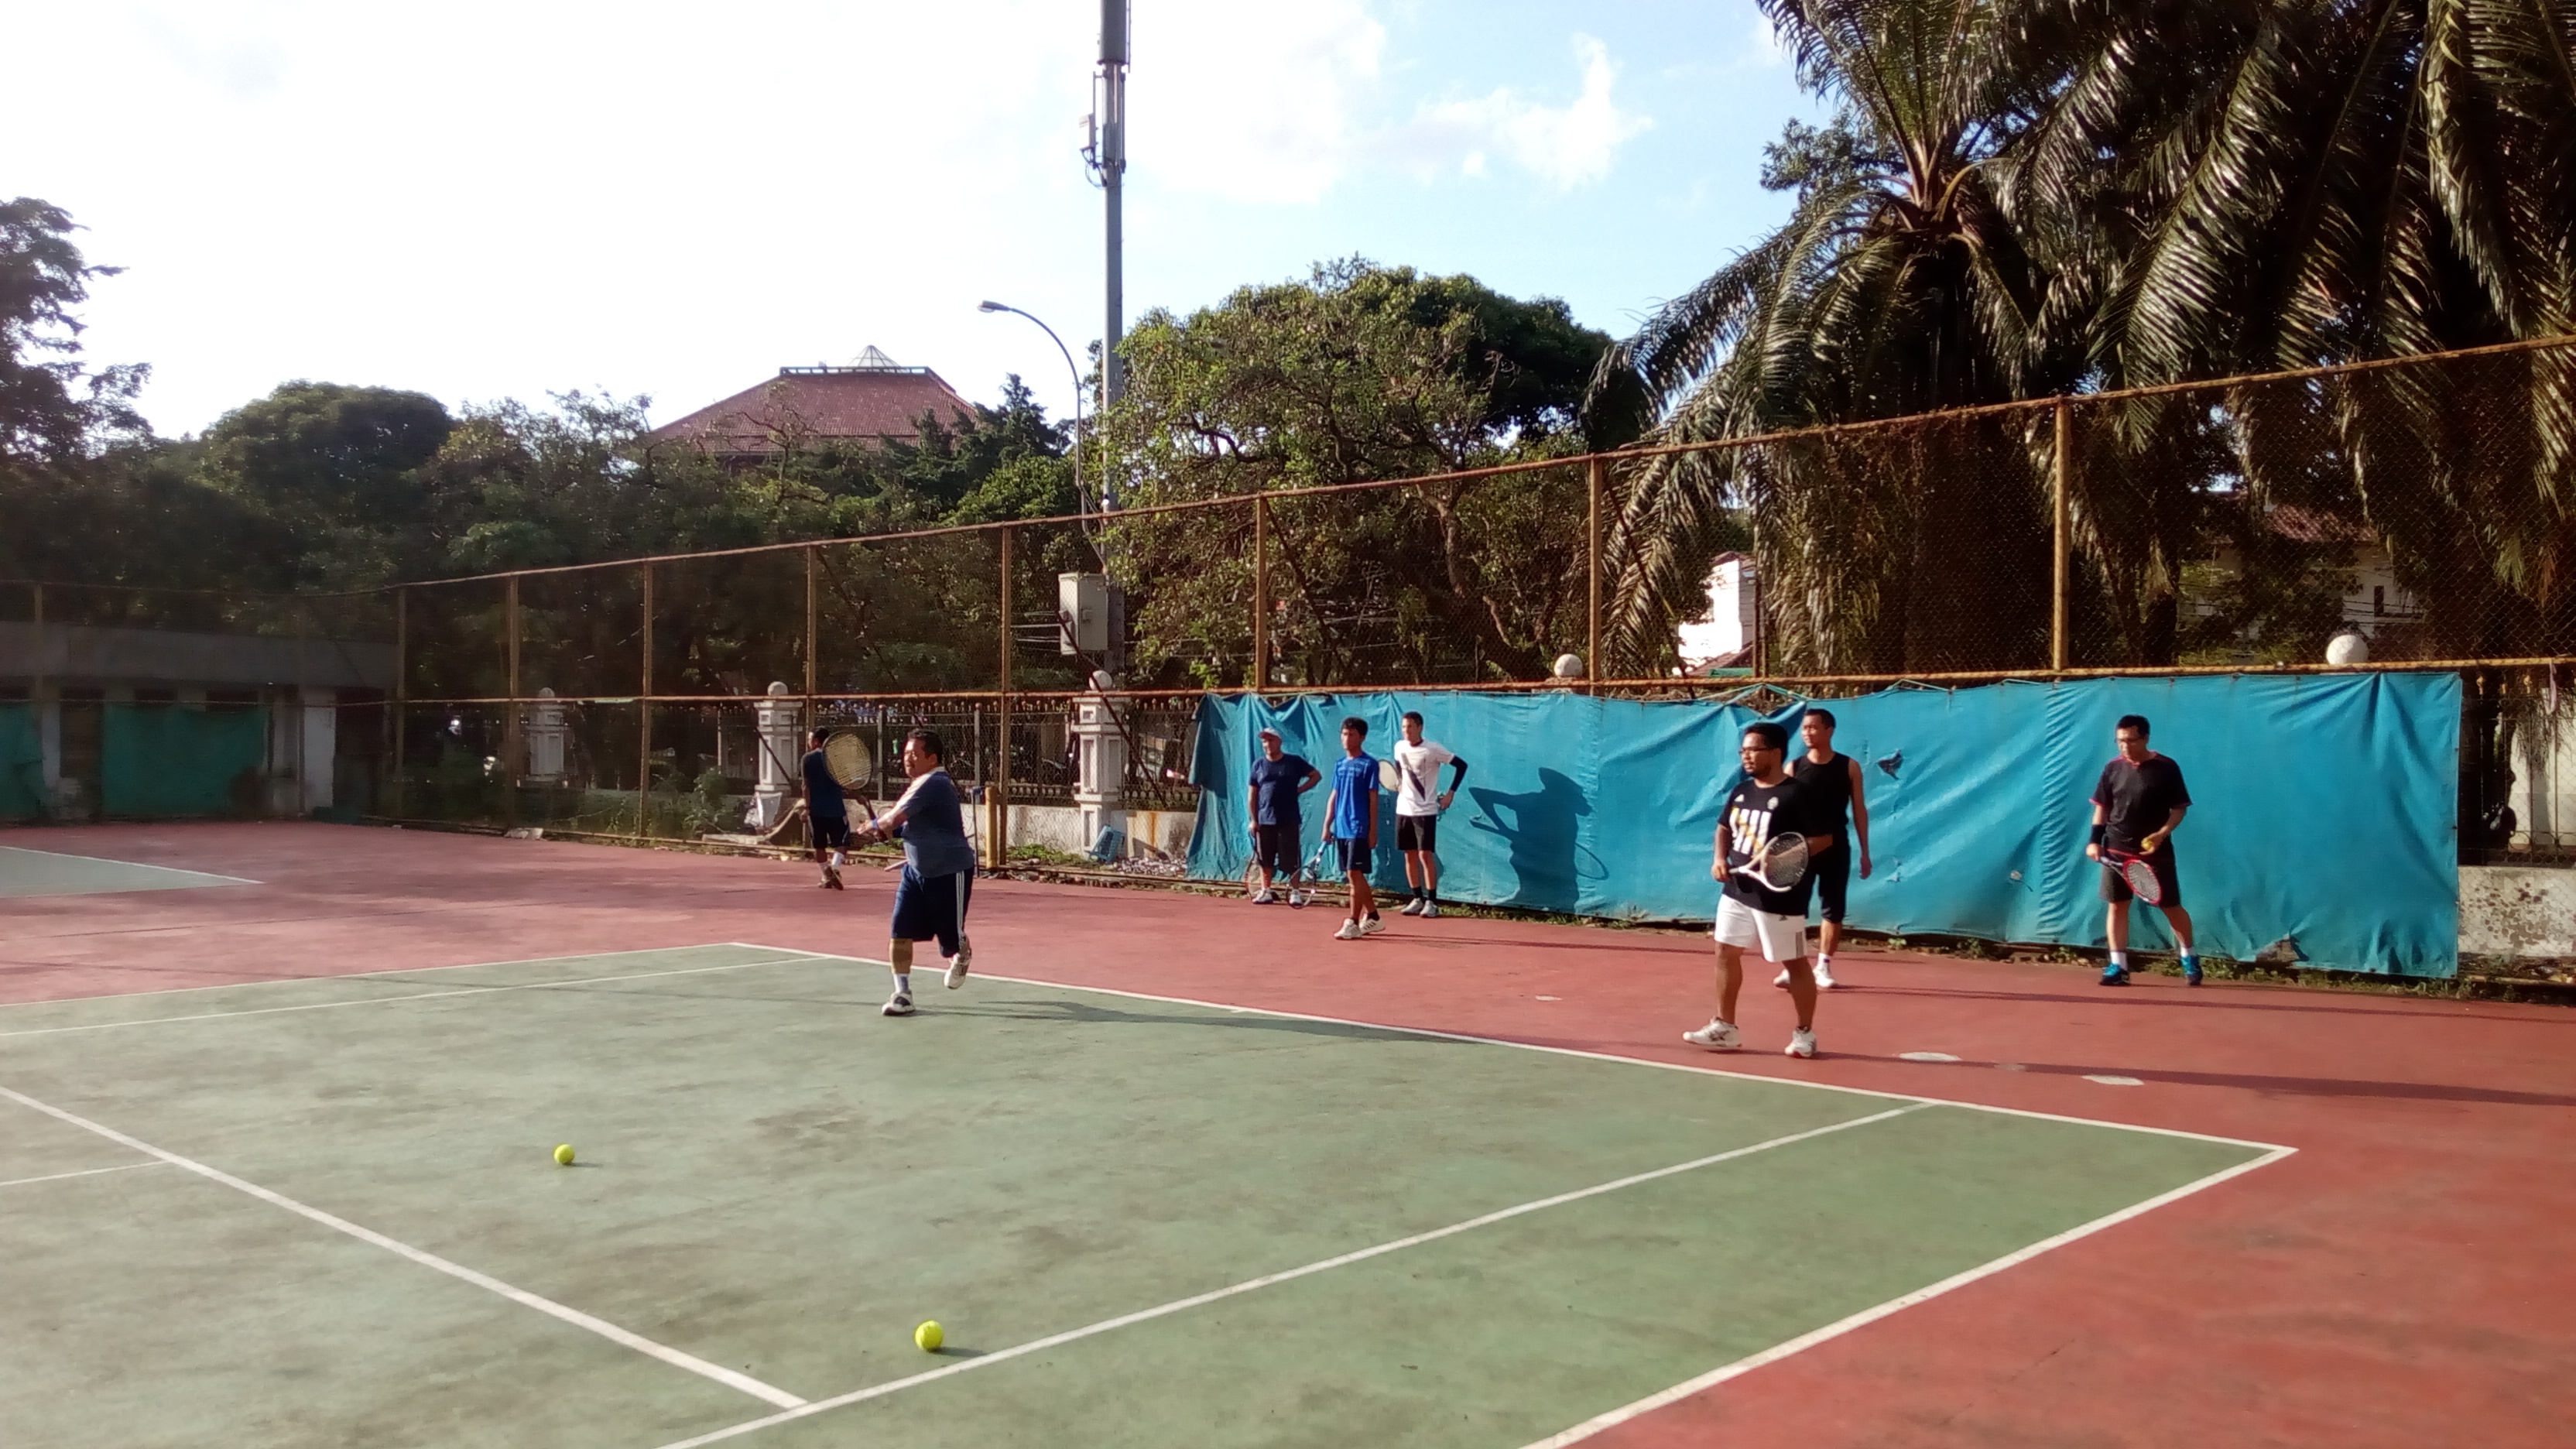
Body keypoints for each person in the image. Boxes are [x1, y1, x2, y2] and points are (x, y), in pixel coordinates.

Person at [1686, 722, 1838, 1058]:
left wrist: (1783, 858)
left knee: (1794, 962)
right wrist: (1719, 858)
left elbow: (1824, 838)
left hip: (1780, 896)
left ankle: (1805, 1034)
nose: (1746, 756)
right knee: (1725, 951)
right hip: (1737, 891)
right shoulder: (1741, 791)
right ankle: (1725, 1027)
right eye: (1743, 751)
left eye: (1753, 750)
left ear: (1775, 752)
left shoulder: (1798, 794)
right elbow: (1723, 828)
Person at [855, 727, 977, 1016]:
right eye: (906, 753)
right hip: (915, 872)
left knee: (950, 941)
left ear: (932, 758)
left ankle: (961, 952)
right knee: (899, 931)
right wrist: (884, 830)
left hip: (950, 871)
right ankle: (903, 994)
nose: (907, 759)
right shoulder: (918, 785)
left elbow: (893, 819)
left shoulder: (935, 782)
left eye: (914, 754)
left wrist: (874, 826)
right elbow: (905, 826)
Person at [2089, 714, 2197, 986]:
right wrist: (2095, 841)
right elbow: (2102, 808)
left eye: (2131, 740)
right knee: (2117, 906)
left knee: (2171, 907)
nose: (2125, 746)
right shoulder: (2112, 768)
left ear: (2146, 738)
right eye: (2120, 741)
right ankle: (2118, 966)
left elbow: (2179, 809)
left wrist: (2161, 834)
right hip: (2116, 848)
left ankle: (2189, 955)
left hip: (2154, 852)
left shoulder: (2166, 768)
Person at [1775, 707, 1869, 990]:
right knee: (1793, 908)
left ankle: (1824, 966)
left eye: (1813, 727)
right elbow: (1782, 811)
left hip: (1836, 847)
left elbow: (1859, 809)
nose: (1807, 733)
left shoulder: (1849, 766)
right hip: (1801, 848)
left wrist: (1865, 852)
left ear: (1829, 730)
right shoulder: (1793, 767)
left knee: (1833, 907)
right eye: (1804, 728)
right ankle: (1793, 967)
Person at [1390, 711, 1469, 917]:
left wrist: (1450, 793)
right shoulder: (1399, 747)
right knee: (1409, 855)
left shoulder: (1433, 749)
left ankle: (1432, 902)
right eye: (1403, 727)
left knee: (1425, 855)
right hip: (1403, 809)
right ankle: (1417, 899)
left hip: (1425, 811)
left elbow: (1461, 766)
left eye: (1410, 726)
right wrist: (1400, 782)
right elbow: (1399, 767)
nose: (1406, 731)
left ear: (1420, 727)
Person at [1318, 716, 1384, 940]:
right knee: (1351, 874)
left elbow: (1373, 799)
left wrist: (1372, 830)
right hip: (1341, 828)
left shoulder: (1369, 764)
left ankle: (1354, 922)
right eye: (1344, 734)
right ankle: (1373, 916)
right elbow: (1334, 795)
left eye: (1352, 734)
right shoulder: (1340, 765)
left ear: (1362, 738)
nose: (1346, 738)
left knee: (1354, 873)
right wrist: (1327, 824)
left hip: (1359, 826)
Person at [1245, 726, 1321, 904]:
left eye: (1271, 740)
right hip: (1265, 820)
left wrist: (1299, 790)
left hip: (1289, 818)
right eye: (1264, 741)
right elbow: (1252, 794)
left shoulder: (1293, 762)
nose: (1267, 744)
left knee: (1292, 858)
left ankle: (1295, 892)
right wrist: (1254, 820)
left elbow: (1316, 776)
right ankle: (1266, 891)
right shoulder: (1258, 765)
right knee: (1265, 859)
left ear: (1279, 742)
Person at [800, 728, 851, 890]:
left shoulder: (807, 759)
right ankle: (834, 868)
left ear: (816, 741)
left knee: (819, 845)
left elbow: (805, 786)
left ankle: (826, 875)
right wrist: (858, 795)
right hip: (836, 809)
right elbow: (847, 782)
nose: (808, 742)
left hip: (816, 810)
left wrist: (807, 807)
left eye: (810, 739)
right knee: (842, 843)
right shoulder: (836, 758)